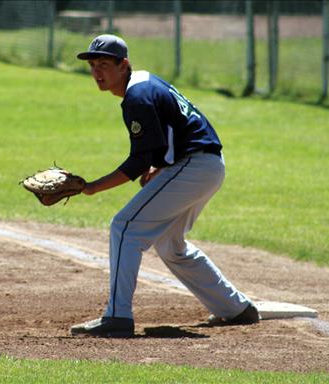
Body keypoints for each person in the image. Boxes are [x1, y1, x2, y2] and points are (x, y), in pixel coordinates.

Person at [70, 34, 260, 338]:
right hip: (205, 166)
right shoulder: (144, 84)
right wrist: (161, 166)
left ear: (124, 65)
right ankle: (236, 309)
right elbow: (168, 138)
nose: (97, 72)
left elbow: (137, 163)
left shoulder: (137, 97)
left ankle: (117, 316)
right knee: (171, 246)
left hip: (195, 166)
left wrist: (92, 187)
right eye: (93, 65)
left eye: (104, 64)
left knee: (125, 227)